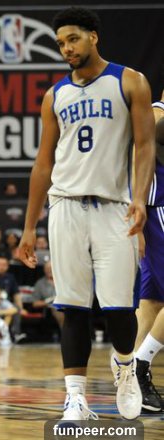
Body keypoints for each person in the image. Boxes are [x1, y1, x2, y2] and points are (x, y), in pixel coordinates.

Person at [17, 7, 155, 421]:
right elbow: (43, 162)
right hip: (65, 206)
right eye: (60, 43)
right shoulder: (54, 95)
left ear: (93, 36)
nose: (66, 49)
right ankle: (74, 398)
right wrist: (29, 227)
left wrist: (140, 198)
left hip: (114, 207)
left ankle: (125, 367)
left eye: (73, 39)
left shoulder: (129, 81)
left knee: (118, 311)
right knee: (72, 307)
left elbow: (145, 145)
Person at [134, 95, 164, 413]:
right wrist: (138, 212)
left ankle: (130, 382)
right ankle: (139, 367)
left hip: (155, 215)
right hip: (158, 211)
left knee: (151, 305)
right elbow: (138, 160)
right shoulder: (156, 114)